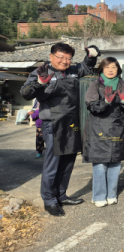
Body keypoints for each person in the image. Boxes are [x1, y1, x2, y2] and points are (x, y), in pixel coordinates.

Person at [20, 42, 100, 216]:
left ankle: (61, 195)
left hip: (72, 121)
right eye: (61, 57)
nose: (65, 61)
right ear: (51, 56)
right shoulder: (41, 72)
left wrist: (91, 56)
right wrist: (39, 83)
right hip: (53, 122)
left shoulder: (72, 71)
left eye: (69, 58)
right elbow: (25, 92)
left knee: (68, 160)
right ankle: (49, 200)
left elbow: (86, 68)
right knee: (53, 162)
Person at [83, 57, 124, 207]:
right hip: (98, 128)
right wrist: (106, 102)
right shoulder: (95, 84)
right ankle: (98, 196)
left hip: (117, 126)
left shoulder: (123, 85)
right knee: (100, 163)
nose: (111, 70)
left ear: (118, 69)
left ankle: (111, 194)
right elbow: (91, 105)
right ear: (102, 69)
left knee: (115, 163)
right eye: (107, 67)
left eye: (114, 67)